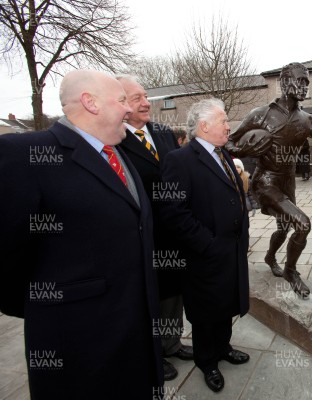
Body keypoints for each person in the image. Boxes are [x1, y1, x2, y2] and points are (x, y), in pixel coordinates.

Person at [0, 70, 163, 399]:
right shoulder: (22, 155)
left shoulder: (117, 151)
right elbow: (7, 256)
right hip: (79, 347)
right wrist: (53, 309)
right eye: (120, 101)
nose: (128, 110)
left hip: (136, 333)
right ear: (90, 102)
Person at [226, 62, 312, 298]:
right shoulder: (260, 114)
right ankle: (291, 272)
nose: (304, 86)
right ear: (284, 83)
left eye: (307, 82)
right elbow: (230, 142)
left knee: (284, 228)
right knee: (303, 223)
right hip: (266, 181)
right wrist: (245, 150)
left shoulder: (308, 120)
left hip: (287, 181)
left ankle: (270, 257)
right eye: (300, 80)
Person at [160, 98, 250, 393]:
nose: (228, 125)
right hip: (205, 255)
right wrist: (207, 244)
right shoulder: (179, 159)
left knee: (226, 304)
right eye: (223, 120)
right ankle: (207, 361)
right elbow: (173, 211)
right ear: (204, 126)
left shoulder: (223, 153)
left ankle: (223, 348)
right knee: (205, 311)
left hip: (231, 250)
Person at [116, 75, 192, 381]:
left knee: (173, 294)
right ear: (120, 103)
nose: (146, 102)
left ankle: (171, 343)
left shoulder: (163, 133)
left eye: (145, 96)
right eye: (136, 98)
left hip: (173, 233)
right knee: (148, 299)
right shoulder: (115, 140)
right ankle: (152, 354)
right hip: (141, 239)